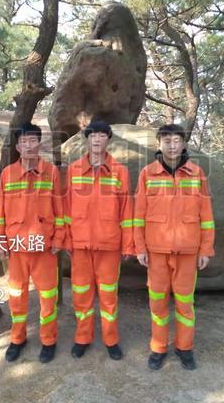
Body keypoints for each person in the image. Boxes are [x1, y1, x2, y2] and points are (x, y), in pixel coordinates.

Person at [134, 124, 215, 371]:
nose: (171, 145)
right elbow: (138, 214)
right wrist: (139, 247)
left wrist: (206, 250)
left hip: (188, 252)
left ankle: (184, 348)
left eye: (176, 140)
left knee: (184, 303)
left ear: (183, 144)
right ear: (159, 144)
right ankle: (158, 348)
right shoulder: (147, 173)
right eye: (166, 140)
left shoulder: (197, 173)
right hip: (156, 251)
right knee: (157, 303)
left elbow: (207, 216)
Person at [0, 123, 65, 364]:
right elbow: (0, 212)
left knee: (47, 296)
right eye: (24, 142)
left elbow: (60, 208)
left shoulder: (51, 172)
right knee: (17, 295)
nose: (29, 146)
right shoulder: (7, 174)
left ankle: (48, 340)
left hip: (44, 246)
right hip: (16, 248)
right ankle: (17, 338)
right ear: (17, 146)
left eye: (33, 141)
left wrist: (58, 238)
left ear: (39, 144)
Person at [64, 121, 134, 361]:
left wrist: (127, 244)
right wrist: (67, 240)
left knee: (108, 295)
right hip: (80, 245)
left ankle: (111, 339)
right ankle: (82, 338)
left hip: (109, 244)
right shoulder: (73, 170)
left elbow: (126, 210)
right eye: (93, 135)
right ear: (87, 139)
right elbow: (66, 208)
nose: (97, 139)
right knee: (81, 295)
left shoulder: (120, 172)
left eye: (102, 135)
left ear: (108, 140)